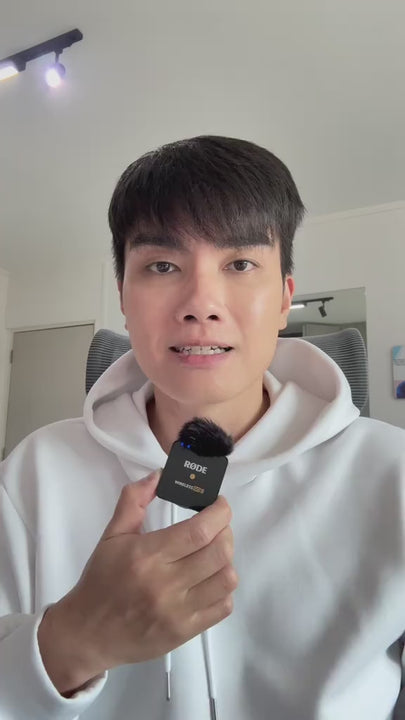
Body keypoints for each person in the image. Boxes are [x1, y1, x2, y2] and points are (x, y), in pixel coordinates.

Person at [1, 135, 405, 720]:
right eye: (163, 266)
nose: (201, 303)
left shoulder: (391, 473)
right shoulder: (33, 475)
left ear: (285, 298)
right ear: (123, 296)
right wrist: (70, 642)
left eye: (239, 264)